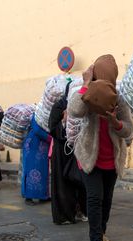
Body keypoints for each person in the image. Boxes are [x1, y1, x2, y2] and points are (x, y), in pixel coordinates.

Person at [68, 54, 133, 241]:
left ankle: (101, 231)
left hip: (111, 160)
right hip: (90, 157)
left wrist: (116, 123)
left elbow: (129, 131)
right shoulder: (89, 95)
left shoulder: (119, 99)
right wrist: (86, 83)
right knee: (95, 198)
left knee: (106, 200)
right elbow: (74, 110)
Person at [49, 80, 87, 225]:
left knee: (80, 182)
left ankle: (81, 211)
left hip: (77, 150)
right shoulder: (58, 106)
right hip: (61, 152)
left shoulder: (80, 104)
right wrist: (64, 121)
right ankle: (65, 215)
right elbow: (52, 128)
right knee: (63, 184)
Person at [21, 114, 51, 204]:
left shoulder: (46, 114)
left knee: (43, 170)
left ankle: (42, 196)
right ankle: (28, 197)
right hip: (32, 146)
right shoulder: (36, 115)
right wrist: (50, 138)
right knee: (30, 170)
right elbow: (37, 129)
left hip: (42, 147)